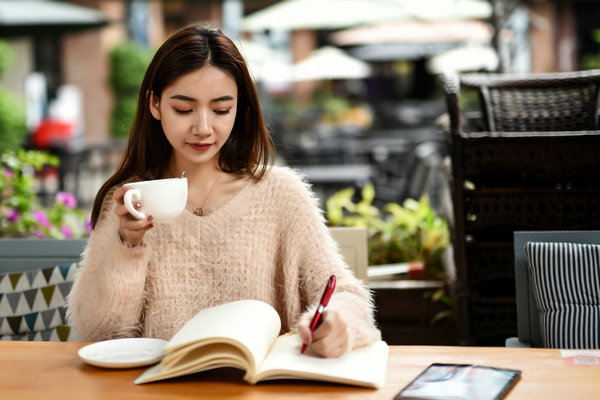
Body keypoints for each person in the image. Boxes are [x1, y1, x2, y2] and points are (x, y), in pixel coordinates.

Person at [66, 25, 380, 358]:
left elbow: (346, 294)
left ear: (240, 108)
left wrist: (337, 323)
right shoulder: (130, 199)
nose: (203, 127)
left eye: (220, 110)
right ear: (155, 105)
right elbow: (98, 335)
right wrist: (128, 246)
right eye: (184, 109)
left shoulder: (281, 195)